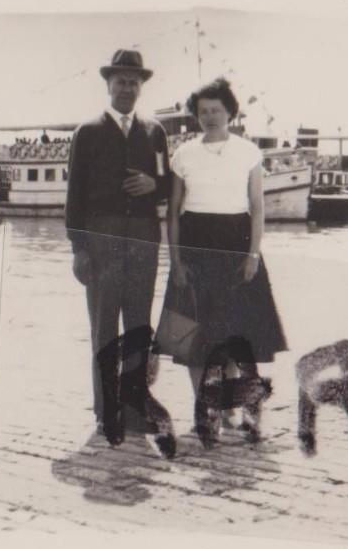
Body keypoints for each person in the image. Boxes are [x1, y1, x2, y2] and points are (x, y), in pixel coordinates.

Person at [155, 78, 287, 443]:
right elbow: (174, 214)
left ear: (230, 112)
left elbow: (257, 207)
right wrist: (176, 261)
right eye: (203, 112)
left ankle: (230, 409)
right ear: (195, 116)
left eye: (216, 110)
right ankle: (204, 408)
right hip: (195, 247)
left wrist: (253, 255)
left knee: (234, 335)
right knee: (194, 336)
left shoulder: (248, 152)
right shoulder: (183, 154)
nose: (210, 117)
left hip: (236, 244)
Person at [65, 49, 172, 449]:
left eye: (134, 82)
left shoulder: (155, 131)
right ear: (108, 85)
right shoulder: (88, 132)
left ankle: (134, 406)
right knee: (104, 326)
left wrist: (154, 186)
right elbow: (73, 195)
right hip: (103, 239)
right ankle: (105, 410)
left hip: (144, 236)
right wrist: (78, 247)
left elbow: (169, 182)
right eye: (120, 81)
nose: (127, 88)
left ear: (142, 87)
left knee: (139, 325)